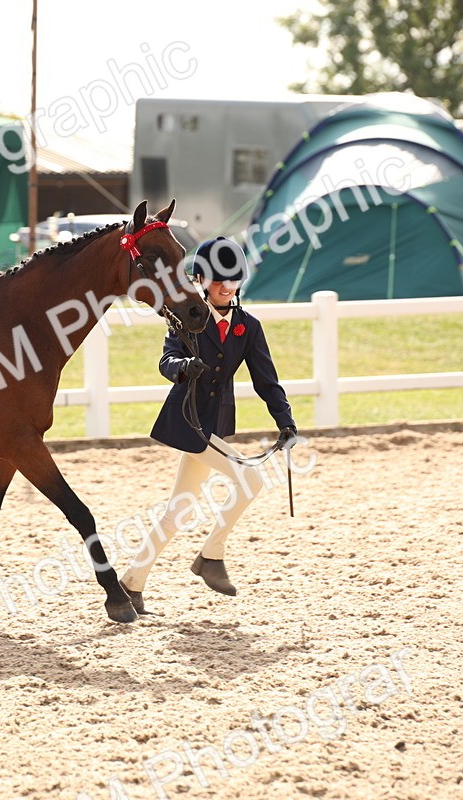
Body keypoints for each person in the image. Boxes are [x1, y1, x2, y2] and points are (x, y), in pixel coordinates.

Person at [120, 237, 297, 613]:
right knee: (251, 480)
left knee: (179, 510)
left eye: (233, 281)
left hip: (214, 426)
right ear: (200, 279)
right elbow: (166, 361)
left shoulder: (248, 326)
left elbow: (266, 380)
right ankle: (211, 557)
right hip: (186, 421)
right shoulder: (188, 318)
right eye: (219, 281)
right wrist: (183, 368)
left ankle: (132, 583)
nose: (227, 288)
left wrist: (285, 421)